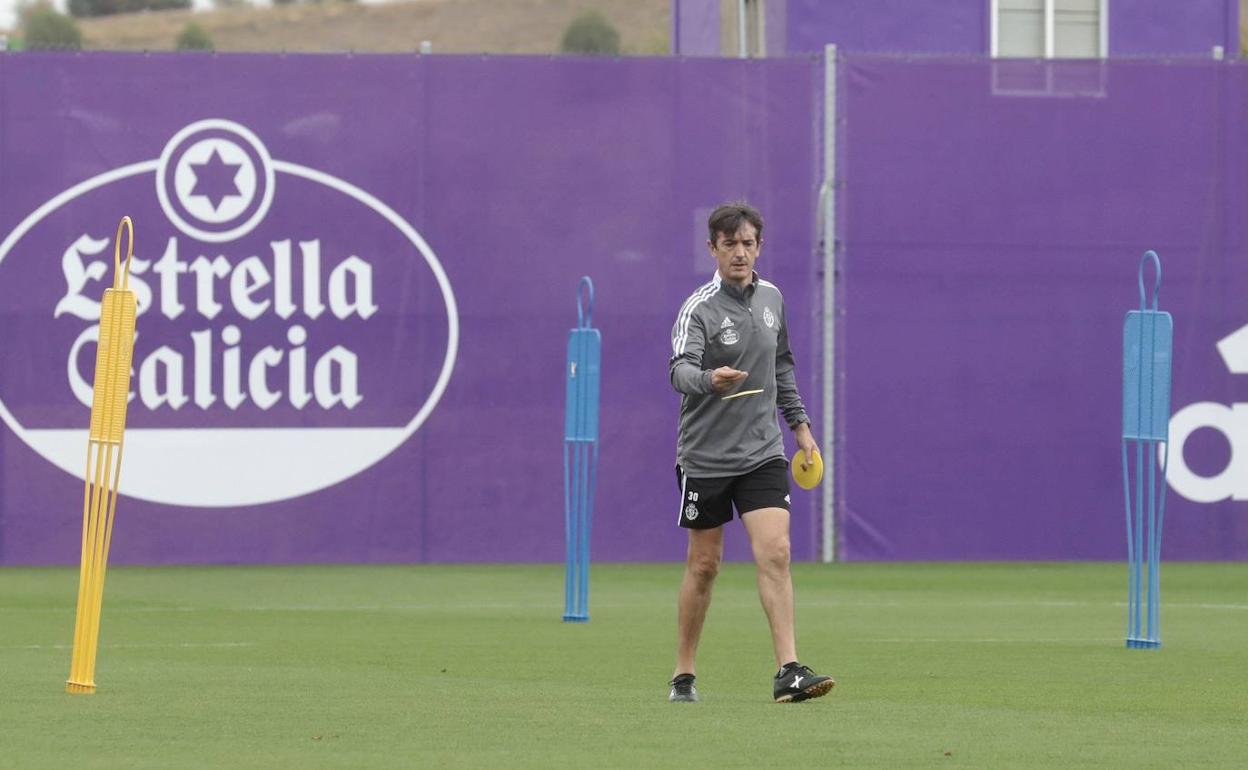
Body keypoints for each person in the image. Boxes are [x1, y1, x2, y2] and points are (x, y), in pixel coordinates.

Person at [666, 201, 834, 704]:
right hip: (706, 456)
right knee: (705, 565)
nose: (739, 252)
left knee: (776, 553)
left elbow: (782, 366)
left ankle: (789, 670)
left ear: (759, 247)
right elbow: (679, 371)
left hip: (763, 452)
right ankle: (684, 673)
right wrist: (709, 381)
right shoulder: (699, 308)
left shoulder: (773, 300)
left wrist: (800, 427)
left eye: (748, 243)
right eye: (729, 243)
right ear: (712, 248)